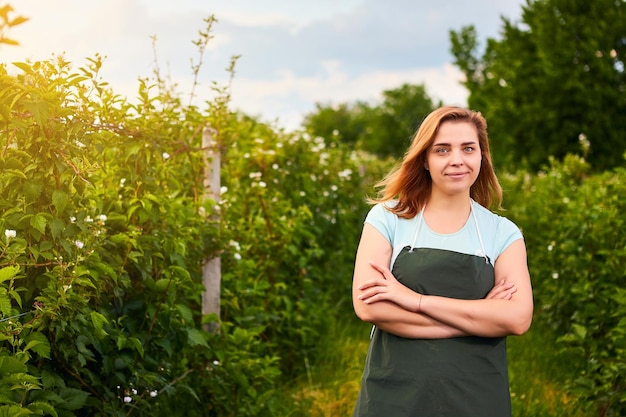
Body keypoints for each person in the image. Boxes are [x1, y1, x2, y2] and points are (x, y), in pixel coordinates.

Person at [351, 106, 533, 417]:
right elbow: (369, 306)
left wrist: (414, 300)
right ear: (425, 158)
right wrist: (477, 321)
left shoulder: (503, 233)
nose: (457, 160)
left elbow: (516, 319)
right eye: (442, 150)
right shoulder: (388, 218)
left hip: (477, 395)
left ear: (481, 156)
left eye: (468, 148)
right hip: (394, 393)